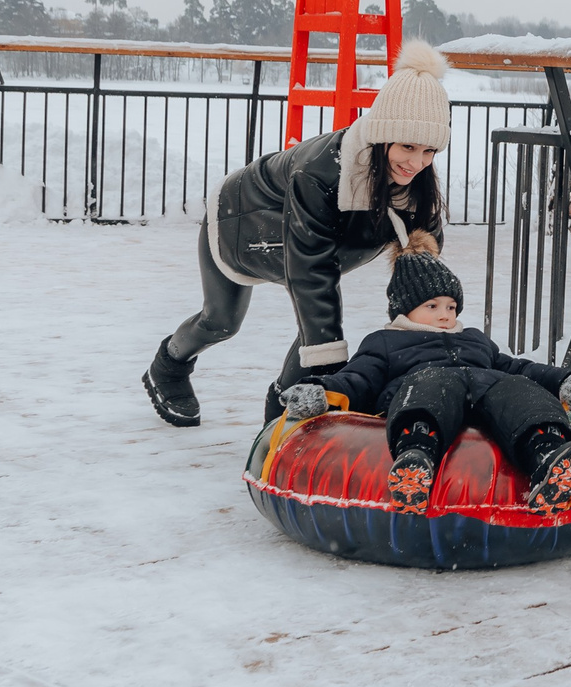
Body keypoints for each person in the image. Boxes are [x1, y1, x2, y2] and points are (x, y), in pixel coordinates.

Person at [142, 38, 452, 429]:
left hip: (324, 245)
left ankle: (283, 403)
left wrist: (434, 336)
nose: (417, 162)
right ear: (381, 134)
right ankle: (168, 367)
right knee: (222, 321)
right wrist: (333, 372)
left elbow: (426, 270)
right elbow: (311, 273)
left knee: (320, 314)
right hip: (244, 222)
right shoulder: (320, 172)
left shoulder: (413, 178)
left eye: (429, 152)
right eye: (407, 146)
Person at [283, 234, 571, 514]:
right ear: (403, 309)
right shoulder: (386, 341)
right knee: (433, 382)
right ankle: (416, 458)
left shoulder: (475, 339)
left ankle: (548, 454)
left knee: (516, 385)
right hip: (423, 391)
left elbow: (518, 366)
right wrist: (321, 391)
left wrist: (563, 380)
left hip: (485, 392)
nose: (445, 315)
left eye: (451, 307)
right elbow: (359, 378)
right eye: (432, 306)